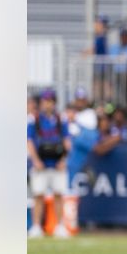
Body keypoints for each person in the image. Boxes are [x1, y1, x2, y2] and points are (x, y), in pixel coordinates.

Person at [27, 91, 71, 238]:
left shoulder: (60, 119)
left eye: (51, 100)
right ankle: (36, 226)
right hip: (41, 163)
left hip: (57, 163)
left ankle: (60, 226)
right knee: (38, 195)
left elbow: (67, 141)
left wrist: (64, 159)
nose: (48, 103)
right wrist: (36, 160)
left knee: (58, 195)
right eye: (46, 101)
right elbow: (30, 141)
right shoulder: (35, 120)